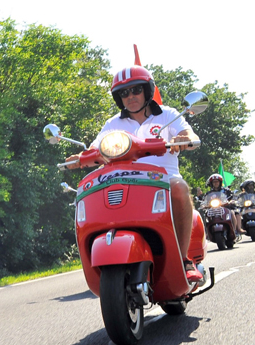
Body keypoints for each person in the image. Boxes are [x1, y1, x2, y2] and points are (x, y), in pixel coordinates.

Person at [66, 63, 202, 282]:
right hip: (126, 179)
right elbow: (95, 148)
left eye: (136, 89)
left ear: (147, 90)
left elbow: (188, 133)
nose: (130, 96)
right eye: (124, 93)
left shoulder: (168, 115)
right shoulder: (113, 123)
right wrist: (79, 158)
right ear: (118, 98)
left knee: (180, 188)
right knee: (90, 190)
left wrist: (184, 138)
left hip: (162, 178)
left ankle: (184, 259)